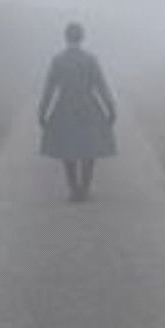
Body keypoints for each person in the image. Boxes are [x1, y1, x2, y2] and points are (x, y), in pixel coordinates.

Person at [37, 22, 117, 201]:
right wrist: (110, 108)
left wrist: (42, 111)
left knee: (68, 148)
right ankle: (85, 188)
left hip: (65, 107)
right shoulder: (90, 60)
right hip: (88, 106)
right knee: (89, 148)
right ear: (82, 37)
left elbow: (49, 88)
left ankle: (73, 189)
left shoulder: (58, 60)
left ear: (66, 37)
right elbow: (101, 86)